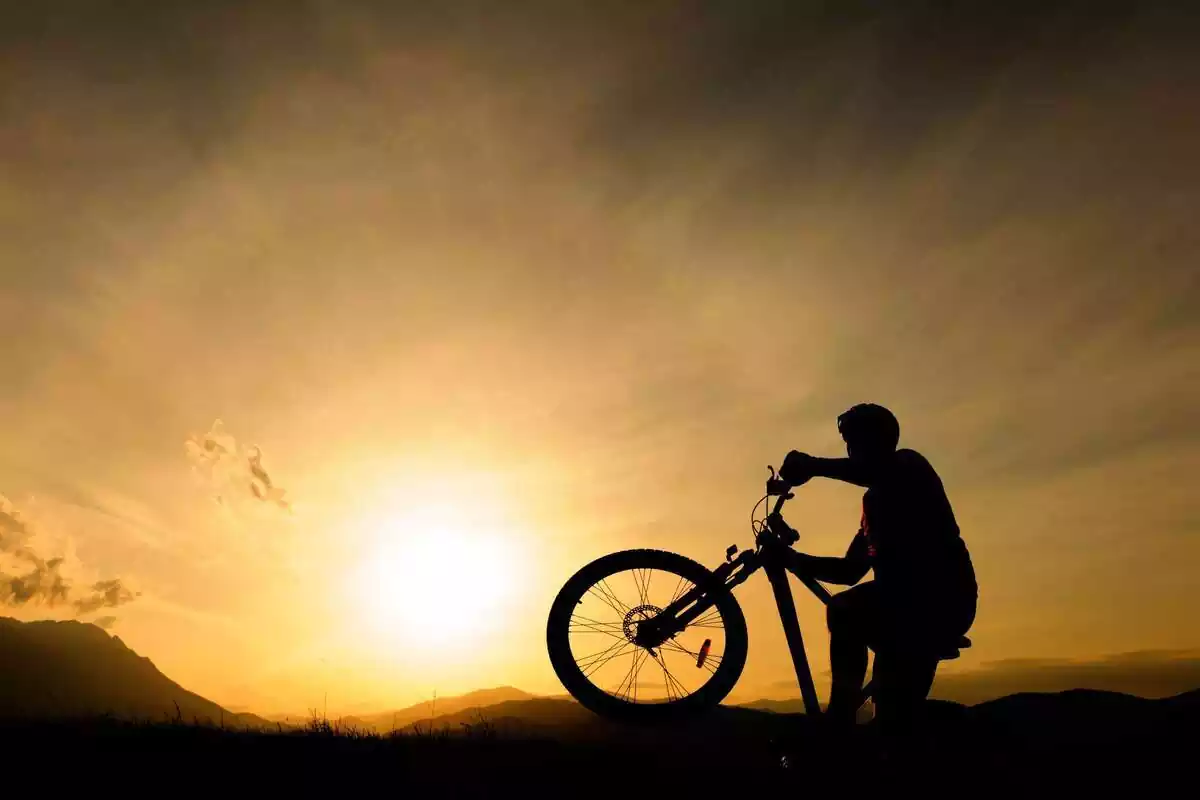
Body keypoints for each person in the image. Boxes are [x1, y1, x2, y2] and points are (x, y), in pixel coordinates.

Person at [774, 403, 977, 734]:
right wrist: (796, 561)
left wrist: (814, 465)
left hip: (940, 598)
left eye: (856, 442)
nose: (852, 452)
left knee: (844, 610)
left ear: (880, 441)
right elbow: (849, 571)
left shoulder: (910, 466)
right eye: (850, 443)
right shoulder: (872, 506)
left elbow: (875, 471)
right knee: (892, 721)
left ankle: (840, 715)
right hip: (899, 605)